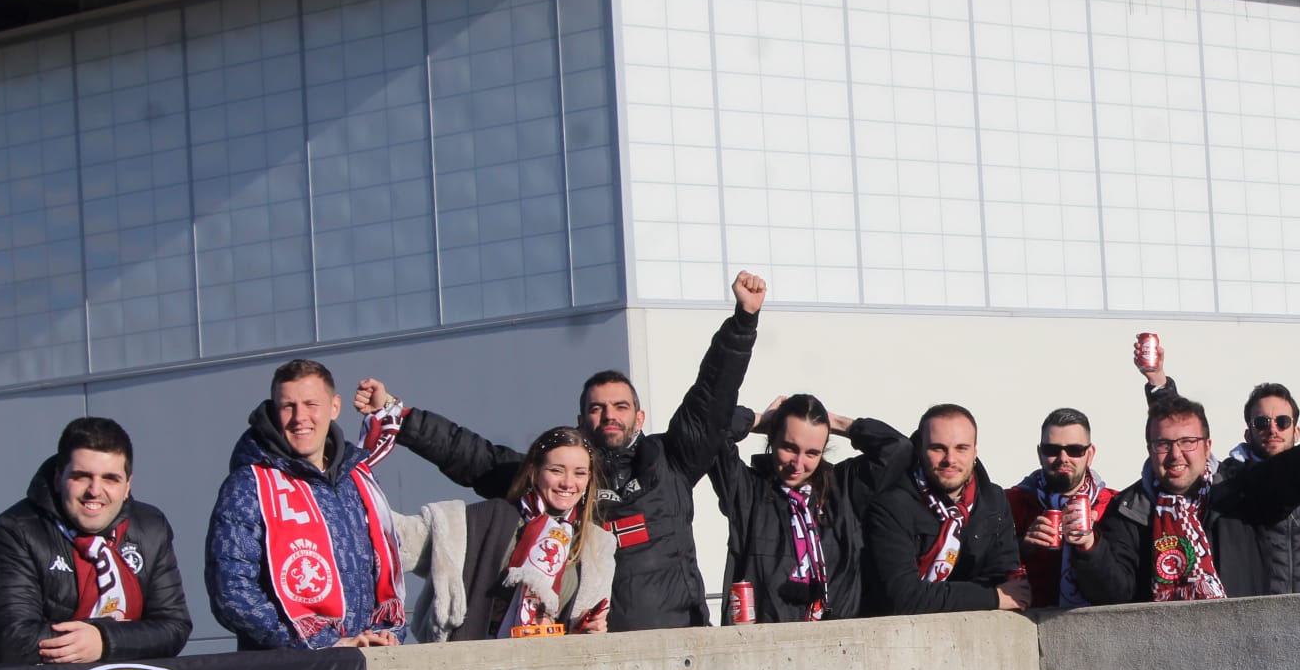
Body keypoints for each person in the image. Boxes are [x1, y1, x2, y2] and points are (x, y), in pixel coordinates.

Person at [354, 272, 764, 632]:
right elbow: (475, 456)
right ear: (581, 418)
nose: (609, 416)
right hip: (592, 646)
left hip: (680, 636)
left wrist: (743, 322)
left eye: (620, 407)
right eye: (597, 408)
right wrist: (402, 418)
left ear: (639, 417)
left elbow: (711, 400)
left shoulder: (672, 459)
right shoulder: (560, 477)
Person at [1074, 390, 1300, 604]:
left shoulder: (1239, 490)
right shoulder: (1128, 510)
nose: (1176, 455)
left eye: (1188, 442)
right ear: (1150, 448)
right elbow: (1114, 595)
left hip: (1246, 650)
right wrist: (1090, 548)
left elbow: (1291, 475)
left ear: (1207, 446)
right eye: (1164, 444)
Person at [208, 359, 407, 650]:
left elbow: (384, 570)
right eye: (288, 406)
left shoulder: (359, 479)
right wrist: (324, 645)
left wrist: (386, 633)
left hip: (366, 665)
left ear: (334, 407)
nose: (299, 417)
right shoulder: (249, 486)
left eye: (311, 404)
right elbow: (232, 594)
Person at [0, 417, 191, 666]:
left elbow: (174, 627)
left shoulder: (151, 526)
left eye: (111, 478)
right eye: (81, 476)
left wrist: (104, 640)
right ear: (58, 478)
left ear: (127, 486)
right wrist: (97, 641)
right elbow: (13, 641)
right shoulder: (15, 531)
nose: (94, 490)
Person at [1139, 343, 1300, 594]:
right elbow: (1184, 435)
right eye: (1261, 422)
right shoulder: (1233, 481)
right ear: (1248, 433)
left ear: (1297, 430)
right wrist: (1159, 384)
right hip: (1258, 612)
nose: (1272, 429)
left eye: (1282, 422)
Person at [394, 427, 617, 641]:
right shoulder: (484, 519)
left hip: (553, 669)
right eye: (556, 470)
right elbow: (397, 541)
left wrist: (591, 630)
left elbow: (586, 624)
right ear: (534, 471)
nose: (568, 483)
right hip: (478, 666)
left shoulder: (595, 544)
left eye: (579, 473)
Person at [707, 395, 911, 623]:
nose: (798, 464)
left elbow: (899, 449)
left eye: (812, 453)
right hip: (765, 645)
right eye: (789, 448)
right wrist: (757, 419)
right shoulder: (747, 492)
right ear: (771, 438)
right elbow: (711, 433)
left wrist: (837, 423)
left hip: (839, 642)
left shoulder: (843, 490)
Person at [862, 405, 1029, 615]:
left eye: (961, 448)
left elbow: (1006, 582)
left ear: (975, 452)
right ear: (920, 450)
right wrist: (990, 597)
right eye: (938, 448)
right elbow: (902, 597)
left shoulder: (993, 500)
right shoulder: (891, 505)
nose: (950, 459)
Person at [1007, 408, 1115, 609]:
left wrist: (1092, 546)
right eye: (1052, 450)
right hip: (1029, 627)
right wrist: (1021, 548)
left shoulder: (1115, 505)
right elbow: (982, 569)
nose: (1063, 458)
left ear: (1089, 454)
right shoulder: (1009, 503)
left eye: (1075, 450)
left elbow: (1123, 587)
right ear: (1040, 454)